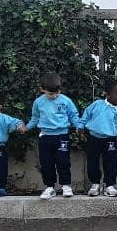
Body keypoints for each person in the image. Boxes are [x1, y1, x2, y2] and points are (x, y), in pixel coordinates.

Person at [25, 72, 81, 200]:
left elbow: (73, 115)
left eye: (57, 92)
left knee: (63, 162)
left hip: (62, 136)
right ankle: (50, 188)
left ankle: (66, 186)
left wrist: (78, 125)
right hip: (45, 137)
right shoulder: (38, 102)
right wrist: (26, 127)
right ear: (42, 89)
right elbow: (35, 118)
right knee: (46, 164)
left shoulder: (66, 101)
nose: (54, 95)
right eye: (51, 93)